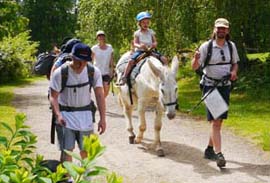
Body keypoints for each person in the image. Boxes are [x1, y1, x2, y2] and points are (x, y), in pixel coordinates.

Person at [191, 18, 239, 168]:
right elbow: (194, 67)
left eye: (224, 28)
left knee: (217, 121)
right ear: (214, 29)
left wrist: (233, 72)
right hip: (210, 85)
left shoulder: (231, 46)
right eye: (219, 28)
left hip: (225, 86)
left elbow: (235, 63)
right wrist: (196, 59)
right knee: (217, 121)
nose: (221, 31)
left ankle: (209, 149)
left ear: (227, 30)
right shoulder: (206, 46)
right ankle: (219, 154)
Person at [49, 43, 106, 164]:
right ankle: (68, 179)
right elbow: (53, 97)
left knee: (86, 151)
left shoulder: (93, 72)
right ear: (72, 57)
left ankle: (85, 177)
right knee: (67, 151)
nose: (81, 65)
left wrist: (103, 118)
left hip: (86, 117)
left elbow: (100, 95)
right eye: (78, 61)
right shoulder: (60, 72)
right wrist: (58, 115)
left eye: (85, 61)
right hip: (65, 116)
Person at [117, 11, 168, 85]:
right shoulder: (137, 33)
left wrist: (154, 44)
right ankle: (124, 76)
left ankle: (167, 75)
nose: (146, 24)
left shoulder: (151, 32)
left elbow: (155, 41)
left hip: (150, 50)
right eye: (143, 22)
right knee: (131, 61)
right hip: (141, 51)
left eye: (147, 22)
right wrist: (140, 46)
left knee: (164, 59)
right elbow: (135, 43)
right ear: (139, 23)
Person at [91, 31, 114, 97]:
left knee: (106, 90)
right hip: (97, 72)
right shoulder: (94, 48)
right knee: (99, 90)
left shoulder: (110, 47)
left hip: (106, 72)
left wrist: (112, 71)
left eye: (102, 36)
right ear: (97, 38)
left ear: (104, 37)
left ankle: (101, 101)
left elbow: (111, 60)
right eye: (99, 36)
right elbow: (91, 61)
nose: (101, 37)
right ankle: (100, 104)